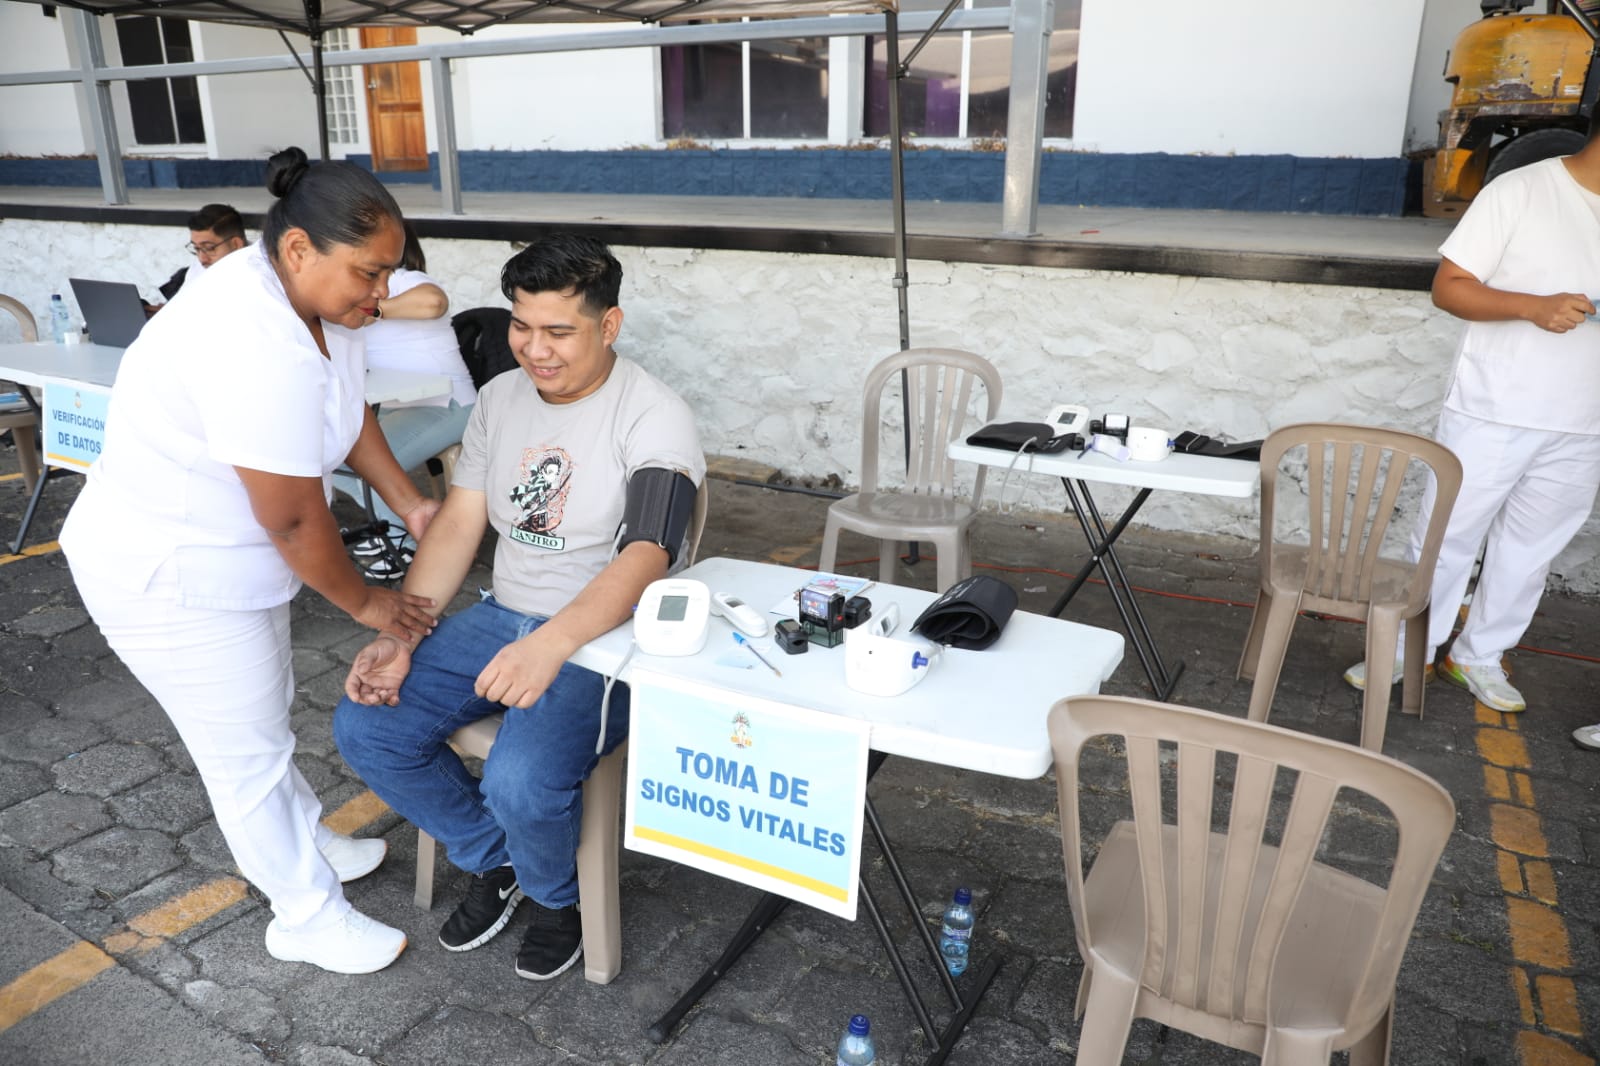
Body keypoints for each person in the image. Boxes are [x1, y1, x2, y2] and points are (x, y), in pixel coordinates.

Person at [60, 146, 441, 974]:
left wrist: (410, 501)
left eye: (389, 274)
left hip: (229, 559)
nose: (382, 294)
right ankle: (304, 914)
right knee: (242, 753)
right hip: (169, 571)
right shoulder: (247, 333)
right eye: (370, 273)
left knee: (262, 718)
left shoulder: (321, 304)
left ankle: (306, 840)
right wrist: (369, 604)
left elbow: (348, 409)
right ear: (299, 248)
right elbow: (295, 518)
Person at [333, 233, 704, 981]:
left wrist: (552, 645)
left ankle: (556, 897)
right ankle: (496, 858)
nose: (536, 349)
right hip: (502, 612)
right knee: (366, 724)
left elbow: (647, 554)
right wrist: (405, 631)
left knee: (520, 778)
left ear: (609, 325)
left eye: (559, 331)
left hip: (607, 637)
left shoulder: (655, 416)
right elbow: (459, 522)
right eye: (521, 326)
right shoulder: (500, 399)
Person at [1342, 114, 1600, 722]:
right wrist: (1532, 307)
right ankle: (1409, 649)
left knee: (1530, 551)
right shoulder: (1522, 190)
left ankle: (1480, 655)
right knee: (1445, 536)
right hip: (1496, 406)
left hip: (1586, 420)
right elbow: (1450, 287)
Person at [332, 221, 478, 579]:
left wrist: (373, 310)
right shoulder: (355, 290)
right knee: (332, 455)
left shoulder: (403, 280)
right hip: (401, 405)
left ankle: (406, 544)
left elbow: (434, 302)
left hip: (449, 404)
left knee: (370, 465)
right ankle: (398, 529)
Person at [147, 203, 248, 312]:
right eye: (197, 249)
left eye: (209, 248)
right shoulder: (196, 270)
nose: (202, 259)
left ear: (236, 244)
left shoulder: (254, 279)